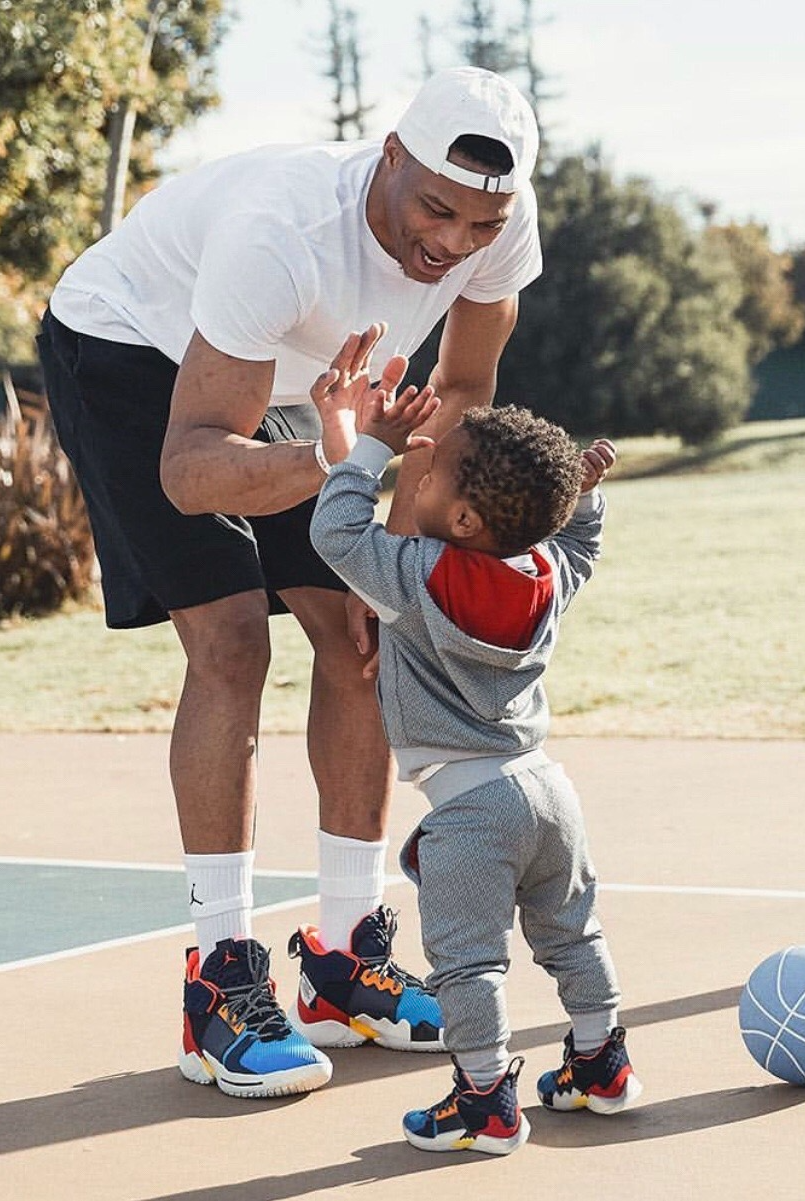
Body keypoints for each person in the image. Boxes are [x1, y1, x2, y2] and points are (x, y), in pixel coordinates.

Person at [34, 67, 543, 1099]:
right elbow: (189, 469)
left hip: (293, 379)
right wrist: (338, 463)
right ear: (389, 156)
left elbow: (464, 391)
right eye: (434, 210)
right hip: (135, 350)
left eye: (478, 224)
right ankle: (218, 979)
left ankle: (343, 959)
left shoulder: (503, 222)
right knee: (233, 640)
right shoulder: (284, 233)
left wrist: (385, 562)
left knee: (363, 640)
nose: (450, 243)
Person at [307, 355, 642, 1154]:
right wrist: (584, 498)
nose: (416, 475)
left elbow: (333, 531)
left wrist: (369, 448)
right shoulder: (542, 570)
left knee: (469, 965)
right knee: (573, 933)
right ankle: (601, 1063)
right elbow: (582, 548)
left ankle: (487, 1100)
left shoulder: (417, 578)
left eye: (431, 473)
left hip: (470, 809)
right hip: (548, 791)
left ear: (461, 520)